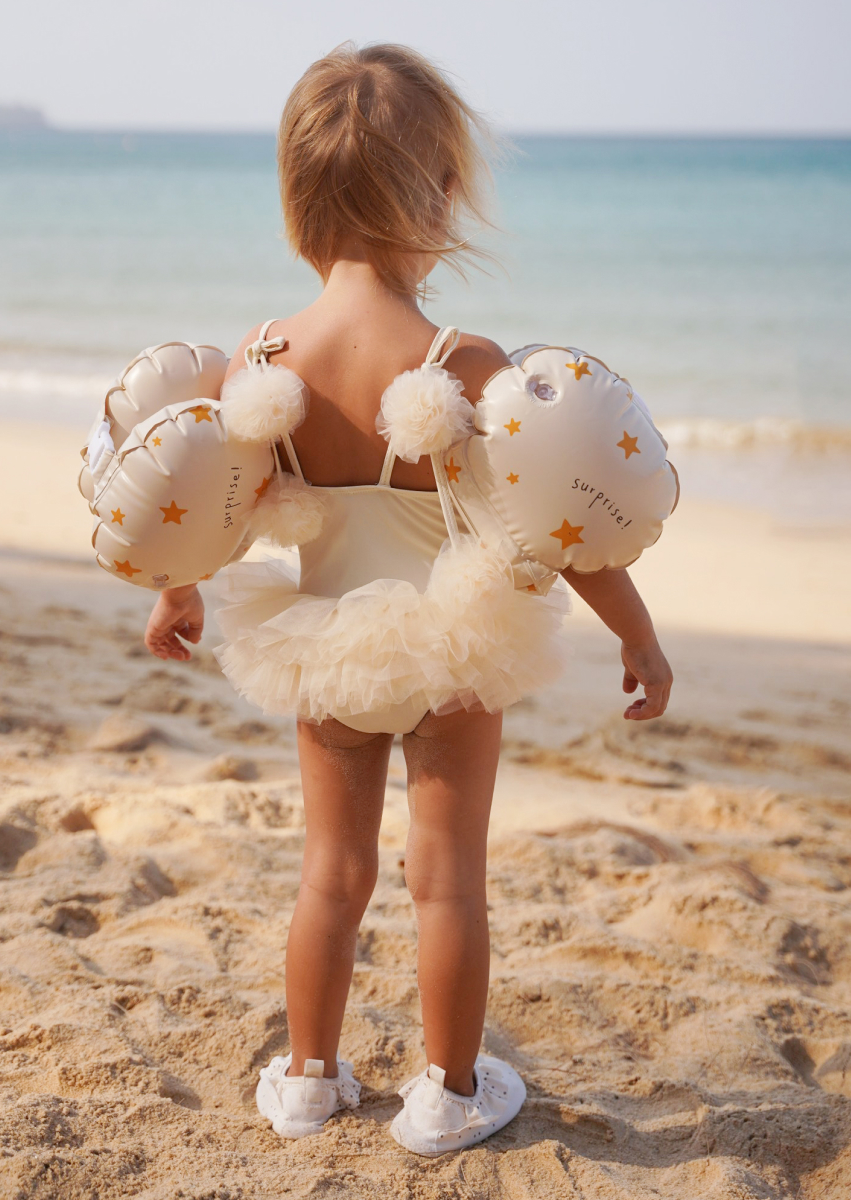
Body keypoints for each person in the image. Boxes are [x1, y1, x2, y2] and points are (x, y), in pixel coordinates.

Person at [143, 42, 673, 1157]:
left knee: (331, 874)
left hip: (324, 648)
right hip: (451, 647)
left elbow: (214, 499)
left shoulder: (267, 350)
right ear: (438, 192)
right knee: (446, 885)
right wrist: (639, 635)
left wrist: (181, 593)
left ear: (298, 192)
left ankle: (306, 1077)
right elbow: (557, 525)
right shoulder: (461, 358)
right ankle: (445, 1091)